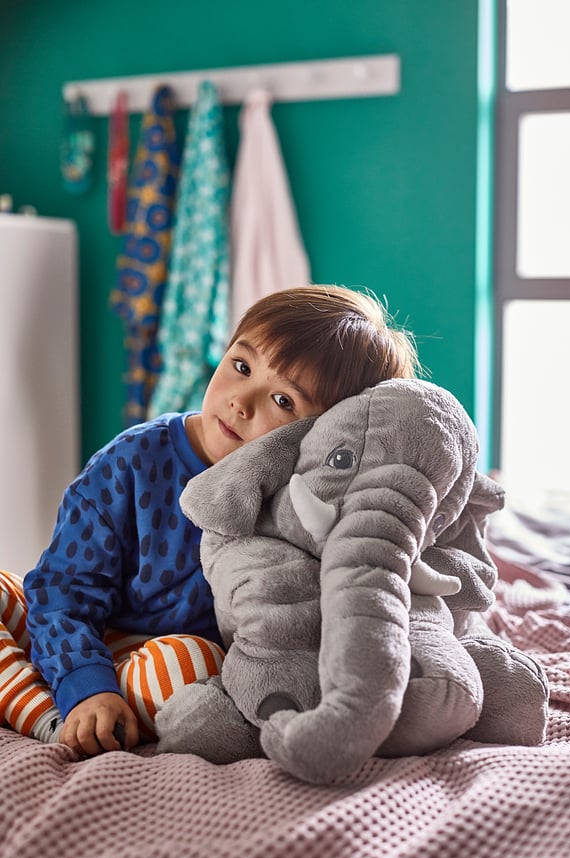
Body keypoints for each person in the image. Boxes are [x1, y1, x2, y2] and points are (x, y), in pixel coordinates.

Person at [0, 284, 419, 757]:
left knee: (186, 665)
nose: (242, 401)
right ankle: (53, 715)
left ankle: (61, 703)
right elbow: (63, 590)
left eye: (284, 401)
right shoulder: (132, 460)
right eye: (241, 367)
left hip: (181, 662)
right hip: (90, 635)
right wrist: (86, 684)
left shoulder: (306, 502)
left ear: (323, 430)